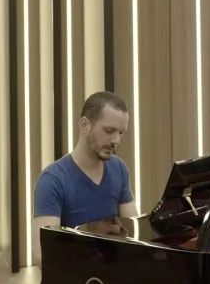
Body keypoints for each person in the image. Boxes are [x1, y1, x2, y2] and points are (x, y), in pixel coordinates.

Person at [32, 91, 135, 264]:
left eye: (121, 133)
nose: (116, 140)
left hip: (115, 271)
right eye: (109, 131)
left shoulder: (119, 169)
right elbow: (41, 254)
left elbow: (132, 232)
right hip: (77, 276)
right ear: (85, 125)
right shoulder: (52, 181)